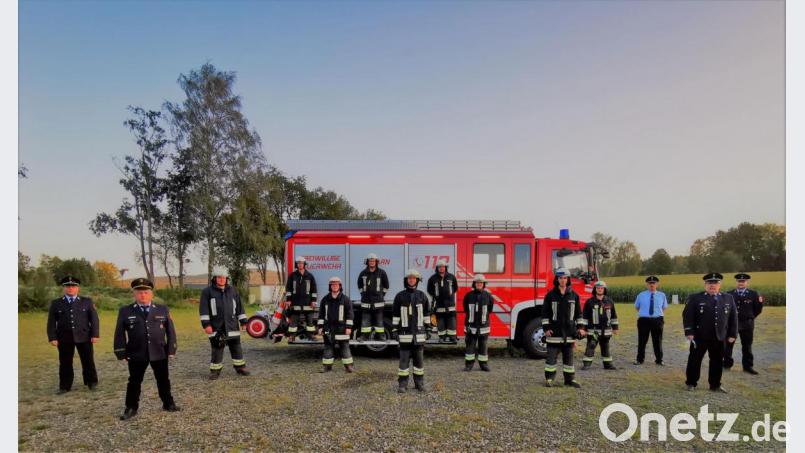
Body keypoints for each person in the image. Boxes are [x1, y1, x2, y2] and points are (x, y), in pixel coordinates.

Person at [114, 278, 179, 420]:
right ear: (134, 294)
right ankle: (131, 407)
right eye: (139, 292)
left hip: (159, 351)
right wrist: (120, 351)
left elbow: (170, 331)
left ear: (151, 294)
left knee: (163, 379)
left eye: (145, 292)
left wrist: (171, 349)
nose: (142, 295)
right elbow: (119, 333)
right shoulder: (125, 311)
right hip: (136, 352)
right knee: (134, 381)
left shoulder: (162, 309)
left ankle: (168, 403)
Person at [683, 273, 738, 393]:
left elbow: (733, 317)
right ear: (705, 284)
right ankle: (691, 383)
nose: (712, 285)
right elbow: (688, 316)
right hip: (699, 336)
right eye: (709, 283)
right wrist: (689, 331)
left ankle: (715, 385)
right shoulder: (695, 298)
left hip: (719, 336)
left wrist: (733, 334)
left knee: (717, 361)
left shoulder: (728, 298)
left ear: (720, 285)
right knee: (694, 360)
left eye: (715, 283)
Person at [46, 275, 99, 394]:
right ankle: (65, 386)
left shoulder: (87, 302)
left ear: (78, 288)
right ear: (63, 288)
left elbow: (94, 319)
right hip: (64, 337)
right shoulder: (56, 303)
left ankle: (91, 382)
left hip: (84, 336)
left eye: (73, 286)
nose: (70, 288)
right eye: (67, 286)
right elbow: (51, 322)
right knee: (65, 362)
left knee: (88, 361)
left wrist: (95, 334)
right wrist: (52, 337)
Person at [199, 268, 250, 380]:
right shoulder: (207, 292)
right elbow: (204, 309)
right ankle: (215, 371)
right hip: (216, 326)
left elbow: (240, 307)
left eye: (224, 278)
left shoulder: (233, 291)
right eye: (219, 277)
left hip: (232, 325)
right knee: (217, 348)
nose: (222, 280)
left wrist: (243, 321)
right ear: (214, 278)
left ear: (227, 279)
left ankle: (240, 367)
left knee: (236, 347)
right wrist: (206, 324)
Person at [541, 268, 584, 388]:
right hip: (554, 333)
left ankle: (569, 380)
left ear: (568, 279)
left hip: (569, 333)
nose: (563, 280)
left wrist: (580, 328)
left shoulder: (574, 296)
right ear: (557, 279)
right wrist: (546, 329)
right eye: (560, 278)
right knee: (551, 359)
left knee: (569, 359)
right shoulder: (550, 295)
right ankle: (549, 379)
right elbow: (545, 314)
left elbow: (578, 314)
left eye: (565, 278)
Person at [392, 269, 430, 393]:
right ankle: (402, 385)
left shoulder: (422, 296)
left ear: (417, 280)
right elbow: (395, 315)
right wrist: (394, 330)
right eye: (409, 278)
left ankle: (419, 383)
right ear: (406, 280)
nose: (411, 280)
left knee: (419, 363)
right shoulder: (400, 296)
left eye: (414, 278)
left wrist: (428, 329)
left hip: (418, 336)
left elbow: (427, 314)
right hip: (404, 335)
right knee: (403, 363)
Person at [724, 273, 763, 374]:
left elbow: (758, 309)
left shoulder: (754, 294)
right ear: (736, 282)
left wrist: (749, 317)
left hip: (747, 324)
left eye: (743, 281)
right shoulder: (729, 294)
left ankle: (748, 367)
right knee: (728, 345)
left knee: (747, 346)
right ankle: (727, 364)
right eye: (739, 281)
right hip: (732, 324)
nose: (741, 283)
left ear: (747, 282)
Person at [317, 276, 354, 373]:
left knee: (344, 347)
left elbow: (350, 314)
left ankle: (348, 366)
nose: (334, 286)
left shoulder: (345, 299)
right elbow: (321, 314)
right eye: (332, 284)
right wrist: (320, 327)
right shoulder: (325, 299)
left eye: (336, 284)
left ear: (340, 286)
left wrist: (349, 327)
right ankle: (327, 367)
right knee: (328, 347)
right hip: (328, 328)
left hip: (342, 328)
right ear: (330, 286)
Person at [580, 280, 619, 370]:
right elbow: (585, 317)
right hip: (593, 331)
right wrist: (583, 328)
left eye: (602, 288)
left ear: (604, 289)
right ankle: (587, 364)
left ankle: (608, 364)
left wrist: (615, 327)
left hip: (606, 331)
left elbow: (613, 316)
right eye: (598, 288)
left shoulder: (609, 301)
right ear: (595, 289)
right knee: (591, 346)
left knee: (606, 348)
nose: (600, 289)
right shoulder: (589, 302)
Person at [633, 275, 668, 365]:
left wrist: (656, 315)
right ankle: (640, 359)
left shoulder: (662, 295)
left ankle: (659, 360)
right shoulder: (641, 295)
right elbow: (637, 307)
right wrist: (646, 314)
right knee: (642, 341)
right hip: (644, 320)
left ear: (657, 284)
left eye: (654, 283)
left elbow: (664, 308)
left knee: (657, 341)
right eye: (650, 283)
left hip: (657, 320)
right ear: (647, 285)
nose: (652, 285)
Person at [463, 274, 494, 371]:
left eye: (481, 283)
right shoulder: (468, 296)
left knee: (483, 347)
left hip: (483, 326)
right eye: (477, 283)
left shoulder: (488, 296)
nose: (479, 284)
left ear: (484, 284)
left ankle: (483, 365)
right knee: (470, 347)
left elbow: (490, 309)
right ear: (474, 284)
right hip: (471, 326)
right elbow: (465, 309)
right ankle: (469, 365)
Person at [284, 256, 318, 341]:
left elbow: (314, 289)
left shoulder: (310, 276)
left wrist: (313, 301)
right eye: (298, 263)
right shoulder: (292, 276)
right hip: (295, 303)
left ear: (304, 264)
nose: (300, 265)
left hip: (308, 303)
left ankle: (311, 336)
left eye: (301, 263)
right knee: (293, 322)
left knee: (310, 321)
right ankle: (292, 336)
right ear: (296, 264)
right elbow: (288, 289)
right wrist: (288, 300)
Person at [357, 253, 389, 342]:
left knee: (379, 321)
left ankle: (381, 336)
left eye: (373, 261)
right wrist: (362, 294)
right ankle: (364, 336)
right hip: (366, 302)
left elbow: (386, 286)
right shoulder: (363, 273)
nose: (372, 262)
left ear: (376, 262)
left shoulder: (382, 273)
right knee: (365, 322)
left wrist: (381, 295)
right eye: (370, 261)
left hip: (378, 302)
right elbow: (359, 285)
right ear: (367, 262)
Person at [427, 259, 459, 343]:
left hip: (450, 305)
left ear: (445, 268)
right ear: (437, 268)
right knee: (440, 322)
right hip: (439, 305)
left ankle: (452, 337)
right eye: (439, 267)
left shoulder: (451, 277)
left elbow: (455, 288)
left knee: (451, 321)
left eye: (443, 267)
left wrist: (449, 295)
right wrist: (436, 296)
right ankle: (442, 337)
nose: (441, 268)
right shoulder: (432, 278)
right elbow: (429, 290)